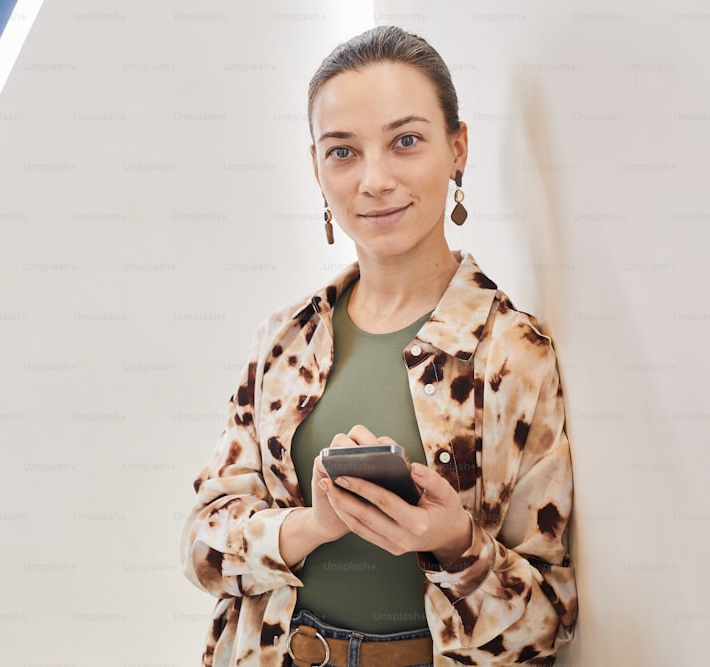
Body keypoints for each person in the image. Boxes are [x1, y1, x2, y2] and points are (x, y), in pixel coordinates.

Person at [181, 25, 577, 667]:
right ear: (316, 167)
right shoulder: (286, 340)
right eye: (342, 151)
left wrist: (457, 544)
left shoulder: (513, 354)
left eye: (406, 141)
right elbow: (201, 547)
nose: (375, 180)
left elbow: (547, 620)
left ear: (458, 149)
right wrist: (312, 523)